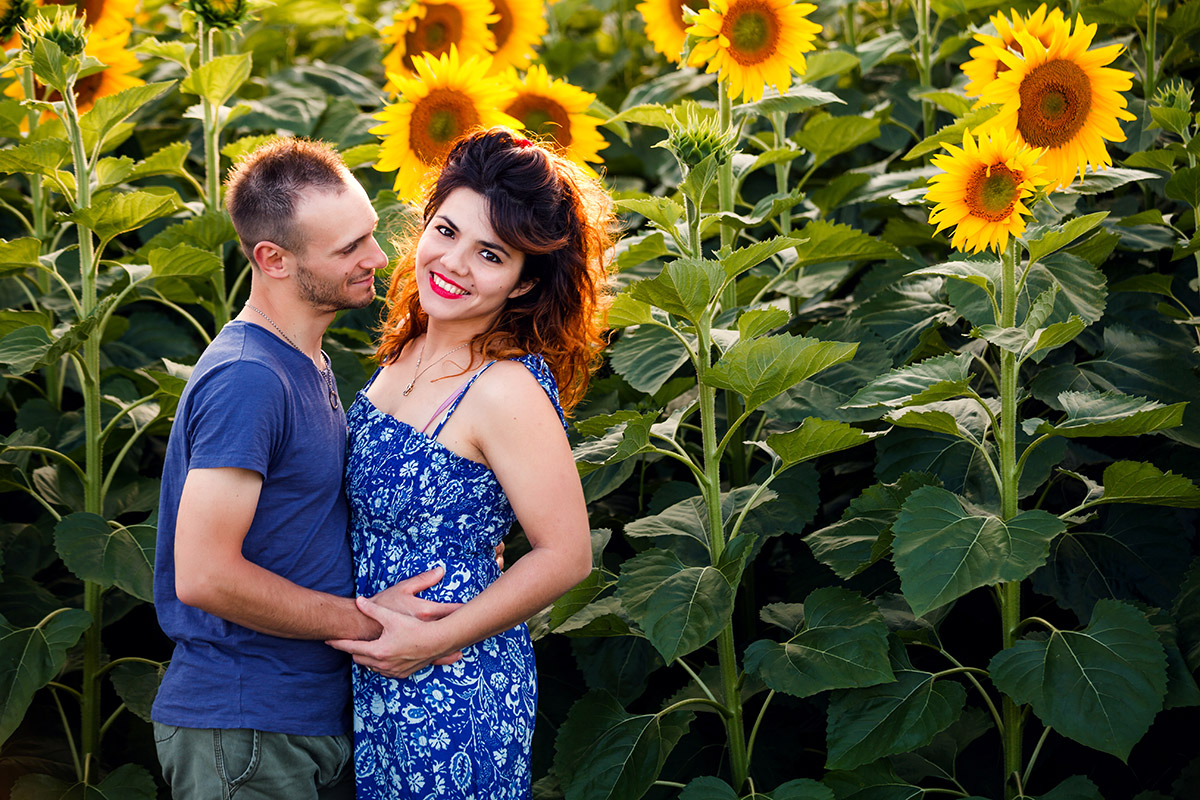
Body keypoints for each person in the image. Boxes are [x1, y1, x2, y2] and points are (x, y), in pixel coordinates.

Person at [152, 138, 462, 799]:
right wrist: (370, 621)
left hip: (295, 720)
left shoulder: (303, 362)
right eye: (349, 248)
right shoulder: (249, 379)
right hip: (246, 724)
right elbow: (204, 574)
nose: (378, 258)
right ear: (274, 259)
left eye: (370, 234)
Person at [324, 127, 615, 799]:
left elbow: (567, 555)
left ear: (523, 281)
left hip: (450, 685)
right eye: (447, 231)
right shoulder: (408, 346)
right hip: (374, 672)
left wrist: (434, 640)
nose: (454, 263)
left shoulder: (503, 387)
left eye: (490, 254)